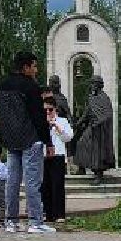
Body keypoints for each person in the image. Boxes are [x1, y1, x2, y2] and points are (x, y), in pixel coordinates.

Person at [0, 51, 55, 234]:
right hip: (30, 138)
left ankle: (11, 221)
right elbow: (38, 116)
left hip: (11, 139)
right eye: (34, 66)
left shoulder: (3, 85)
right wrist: (48, 142)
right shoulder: (31, 86)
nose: (36, 70)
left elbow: (0, 115)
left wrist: (4, 136)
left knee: (12, 181)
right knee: (32, 181)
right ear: (26, 67)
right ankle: (35, 221)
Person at [73, 76, 116, 176]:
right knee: (81, 144)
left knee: (98, 151)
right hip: (92, 126)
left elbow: (108, 114)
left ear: (98, 85)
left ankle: (98, 173)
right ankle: (81, 168)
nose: (92, 86)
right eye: (91, 83)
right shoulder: (91, 98)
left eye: (94, 83)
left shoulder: (104, 98)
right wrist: (77, 123)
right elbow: (86, 113)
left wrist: (99, 122)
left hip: (100, 129)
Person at [43, 93, 73, 223]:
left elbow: (69, 137)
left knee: (58, 185)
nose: (48, 112)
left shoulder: (62, 121)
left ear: (55, 109)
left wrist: (57, 127)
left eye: (50, 109)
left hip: (58, 156)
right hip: (43, 156)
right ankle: (48, 213)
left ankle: (59, 214)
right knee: (45, 185)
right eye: (45, 110)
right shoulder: (40, 122)